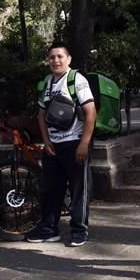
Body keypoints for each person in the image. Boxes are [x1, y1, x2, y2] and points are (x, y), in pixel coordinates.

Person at [25, 45, 97, 247]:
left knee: (78, 190)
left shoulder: (76, 80)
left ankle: (79, 230)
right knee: (50, 189)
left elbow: (90, 112)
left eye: (60, 57)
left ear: (69, 59)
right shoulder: (48, 83)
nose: (56, 61)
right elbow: (41, 114)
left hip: (74, 143)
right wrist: (46, 141)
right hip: (53, 147)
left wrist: (84, 143)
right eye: (51, 57)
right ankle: (49, 229)